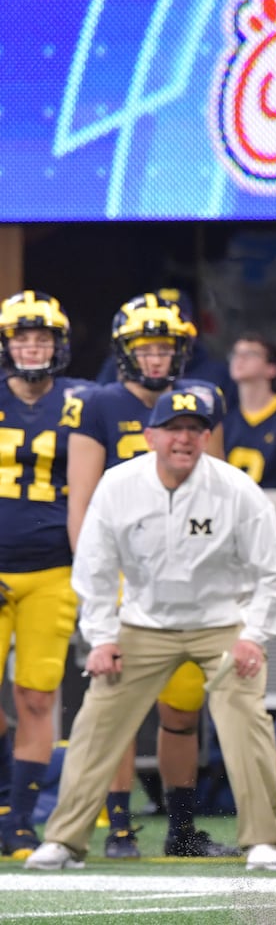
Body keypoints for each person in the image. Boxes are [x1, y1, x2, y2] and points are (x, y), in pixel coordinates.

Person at [26, 391, 276, 873]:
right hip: (143, 621)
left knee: (246, 714)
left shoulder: (237, 489)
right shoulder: (117, 485)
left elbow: (273, 572)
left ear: (208, 437)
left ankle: (263, 840)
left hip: (222, 622)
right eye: (173, 428)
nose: (183, 438)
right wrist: (102, 637)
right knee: (96, 718)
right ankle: (64, 840)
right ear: (149, 436)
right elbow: (95, 568)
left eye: (194, 429)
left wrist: (255, 635)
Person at [65, 293, 231, 860]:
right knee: (118, 704)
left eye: (166, 348)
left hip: (185, 575)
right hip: (122, 574)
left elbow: (221, 494)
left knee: (181, 710)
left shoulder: (204, 400)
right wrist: (94, 584)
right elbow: (82, 505)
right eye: (147, 348)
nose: (157, 358)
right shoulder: (97, 404)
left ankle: (181, 829)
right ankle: (117, 828)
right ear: (126, 351)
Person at [0, 292, 87, 858]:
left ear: (58, 345)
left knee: (37, 698)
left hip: (52, 567)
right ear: (7, 345)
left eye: (43, 339)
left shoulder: (83, 402)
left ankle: (20, 819)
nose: (33, 348)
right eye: (23, 338)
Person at [94, 288, 233, 406]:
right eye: (144, 350)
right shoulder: (102, 396)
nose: (155, 360)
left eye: (164, 349)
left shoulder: (210, 382)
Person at [224, 333, 276, 488]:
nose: (240, 359)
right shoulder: (226, 421)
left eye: (250, 354)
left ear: (272, 369)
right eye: (236, 354)